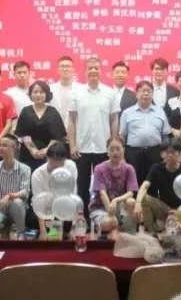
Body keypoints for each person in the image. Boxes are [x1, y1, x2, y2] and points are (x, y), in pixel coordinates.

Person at [69, 56, 115, 214]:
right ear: (85, 71)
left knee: (104, 185)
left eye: (96, 68)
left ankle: (103, 216)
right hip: (82, 147)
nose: (93, 70)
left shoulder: (110, 92)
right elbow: (72, 120)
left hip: (103, 147)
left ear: (101, 70)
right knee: (82, 184)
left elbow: (114, 119)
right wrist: (72, 145)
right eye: (90, 68)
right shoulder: (76, 93)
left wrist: (113, 145)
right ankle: (83, 217)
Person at [136, 141, 181, 234]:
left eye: (173, 152)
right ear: (161, 154)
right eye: (167, 152)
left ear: (179, 154)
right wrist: (138, 203)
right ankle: (151, 232)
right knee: (144, 198)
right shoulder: (156, 168)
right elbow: (145, 185)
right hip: (164, 208)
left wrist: (178, 211)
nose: (170, 155)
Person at [119, 81, 171, 183]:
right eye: (143, 91)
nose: (146, 94)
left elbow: (165, 135)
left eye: (149, 91)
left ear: (152, 94)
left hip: (155, 152)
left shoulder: (160, 111)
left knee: (154, 182)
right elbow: (122, 137)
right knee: (134, 182)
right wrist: (122, 157)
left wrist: (165, 153)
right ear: (136, 94)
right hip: (133, 153)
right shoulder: (127, 113)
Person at [90, 137, 140, 236]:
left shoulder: (129, 168)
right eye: (112, 149)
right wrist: (110, 212)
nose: (115, 152)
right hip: (101, 207)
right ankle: (108, 226)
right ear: (107, 151)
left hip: (119, 206)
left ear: (123, 150)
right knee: (110, 223)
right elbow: (102, 193)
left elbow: (131, 193)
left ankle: (128, 233)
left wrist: (115, 200)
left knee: (131, 201)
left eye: (118, 149)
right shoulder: (99, 168)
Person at [15, 80, 67, 172]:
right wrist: (33, 150)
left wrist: (46, 150)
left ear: (47, 94)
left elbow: (57, 135)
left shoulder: (53, 111)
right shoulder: (25, 111)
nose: (38, 95)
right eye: (35, 92)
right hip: (28, 154)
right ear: (30, 94)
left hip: (50, 155)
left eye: (41, 92)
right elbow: (23, 134)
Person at [30, 141, 79, 238]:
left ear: (64, 160)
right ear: (47, 158)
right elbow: (38, 204)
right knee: (40, 225)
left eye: (60, 166)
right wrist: (43, 231)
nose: (56, 169)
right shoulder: (37, 174)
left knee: (62, 226)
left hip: (63, 206)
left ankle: (63, 230)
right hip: (45, 210)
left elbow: (72, 195)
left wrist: (73, 225)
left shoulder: (70, 166)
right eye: (53, 165)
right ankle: (53, 230)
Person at [50, 56, 84, 135]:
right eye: (62, 66)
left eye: (68, 66)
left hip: (76, 133)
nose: (65, 69)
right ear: (58, 70)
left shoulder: (82, 89)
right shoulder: (50, 89)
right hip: (55, 134)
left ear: (73, 69)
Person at [109, 60, 137, 136]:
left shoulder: (134, 96)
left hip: (127, 136)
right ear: (112, 75)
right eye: (117, 72)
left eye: (123, 72)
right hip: (107, 136)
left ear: (128, 75)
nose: (120, 75)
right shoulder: (105, 94)